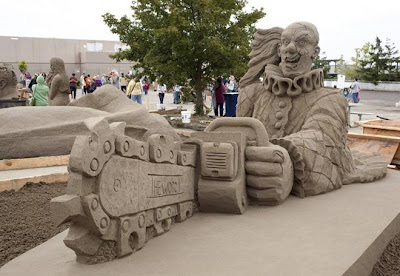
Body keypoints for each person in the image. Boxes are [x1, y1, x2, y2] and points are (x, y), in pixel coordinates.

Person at [237, 22, 386, 205]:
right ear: (279, 49)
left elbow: (321, 136)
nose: (290, 48)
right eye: (285, 42)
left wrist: (284, 158)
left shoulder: (331, 98)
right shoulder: (252, 93)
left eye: (301, 42)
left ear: (315, 51)